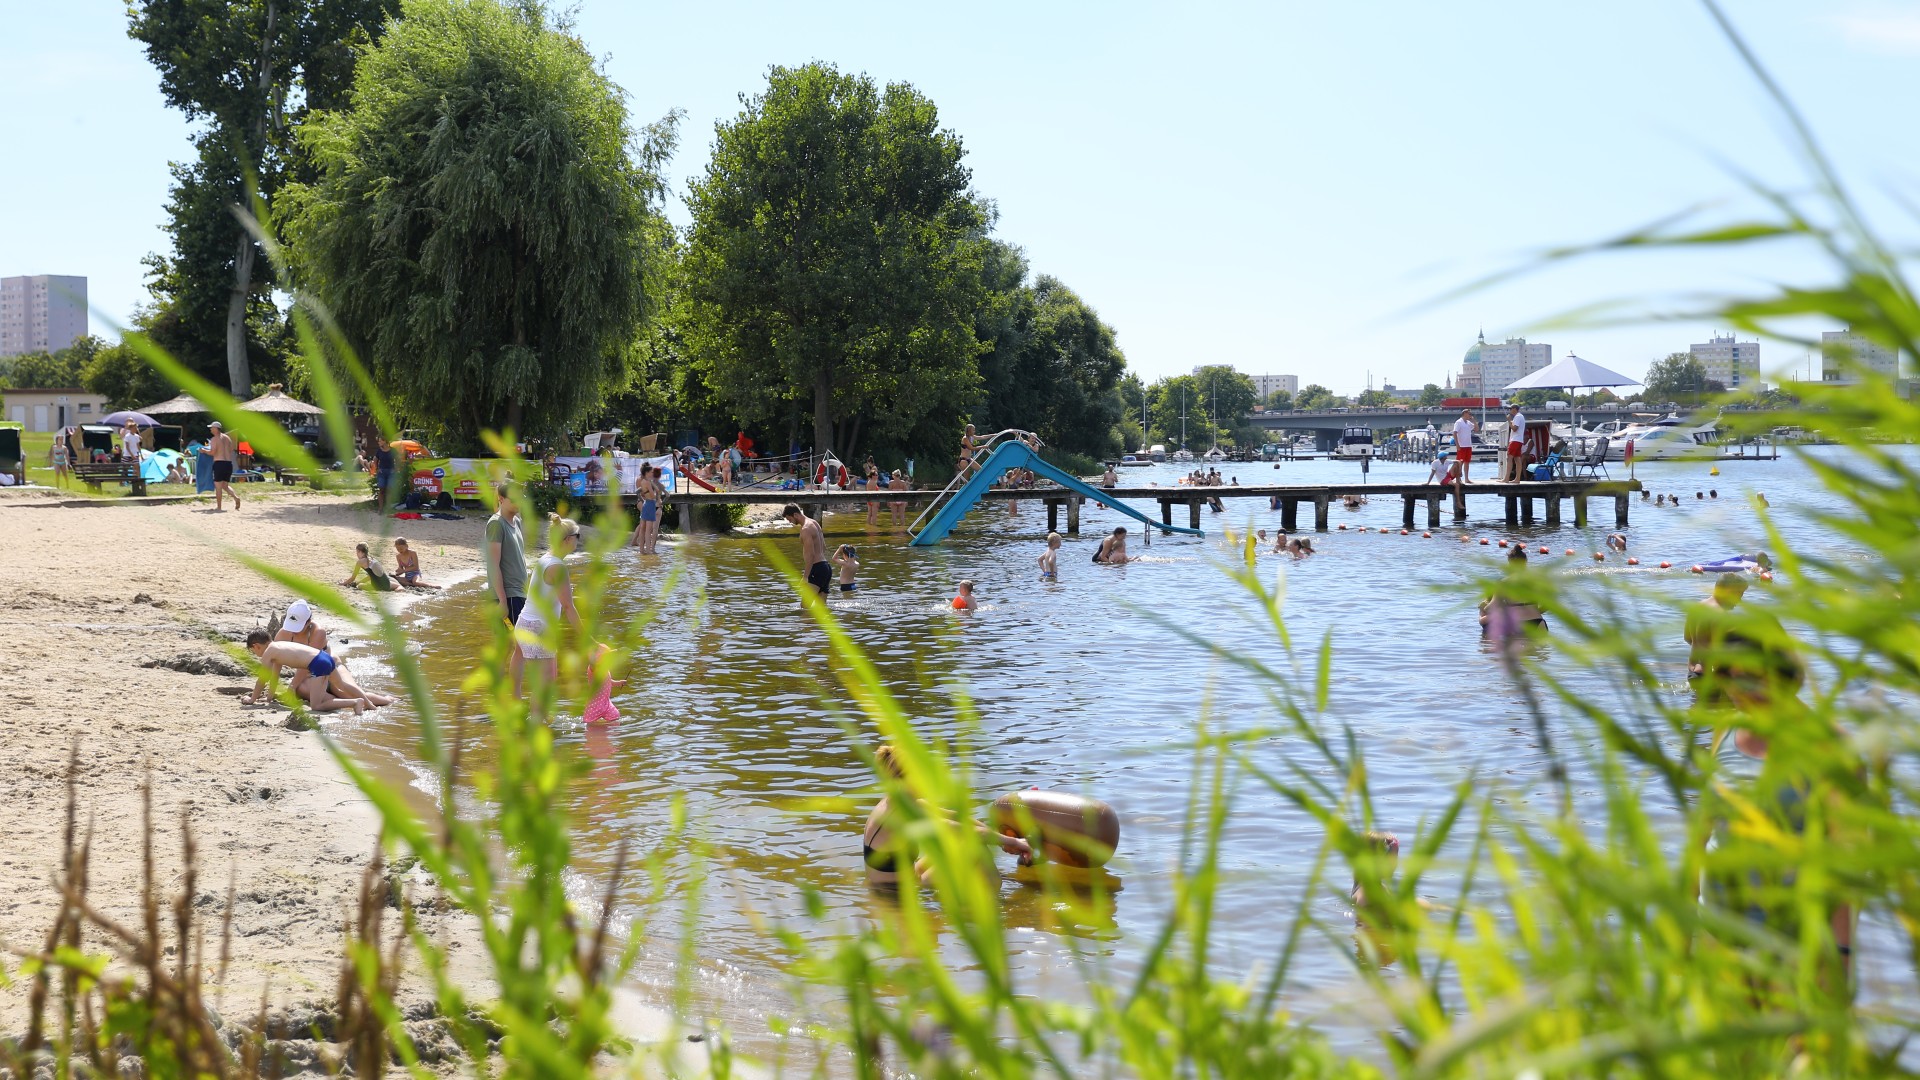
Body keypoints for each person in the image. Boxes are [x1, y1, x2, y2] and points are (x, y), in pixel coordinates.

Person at [862, 745, 1031, 888]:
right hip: (895, 893)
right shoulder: (902, 813)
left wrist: (1004, 843)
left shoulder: (897, 801)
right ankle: (998, 905)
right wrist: (1015, 842)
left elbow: (958, 817)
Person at [514, 514, 584, 704]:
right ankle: (536, 721)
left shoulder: (545, 558)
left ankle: (516, 702)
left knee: (526, 663)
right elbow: (569, 607)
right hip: (539, 628)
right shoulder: (558, 567)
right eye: (578, 536)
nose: (579, 540)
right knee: (544, 682)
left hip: (524, 622)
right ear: (569, 539)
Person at [242, 630, 394, 713]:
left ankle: (355, 702)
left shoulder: (269, 653)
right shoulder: (278, 647)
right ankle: (369, 704)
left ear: (256, 646)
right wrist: (268, 699)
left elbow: (262, 680)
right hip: (325, 657)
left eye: (253, 651)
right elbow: (273, 677)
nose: (256, 654)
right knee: (342, 685)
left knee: (316, 706)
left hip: (318, 664)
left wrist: (252, 700)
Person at [1480, 545, 1546, 643]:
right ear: (1526, 562)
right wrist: (1535, 611)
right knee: (1539, 653)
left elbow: (1493, 606)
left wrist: (1483, 607)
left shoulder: (1504, 583)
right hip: (1538, 623)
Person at [486, 482, 529, 633]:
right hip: (508, 596)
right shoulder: (496, 524)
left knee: (519, 648)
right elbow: (493, 564)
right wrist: (502, 601)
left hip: (519, 593)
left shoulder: (516, 521)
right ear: (501, 499)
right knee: (520, 646)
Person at [783, 503, 830, 597]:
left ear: (795, 515)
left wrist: (805, 577)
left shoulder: (806, 529)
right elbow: (824, 547)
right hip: (826, 567)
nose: (790, 522)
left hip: (816, 568)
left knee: (805, 607)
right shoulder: (814, 523)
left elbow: (811, 555)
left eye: (790, 519)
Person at [582, 643, 626, 725]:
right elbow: (593, 664)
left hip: (606, 704)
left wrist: (619, 683)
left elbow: (609, 681)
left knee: (615, 717)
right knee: (589, 725)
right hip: (595, 704)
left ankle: (605, 734)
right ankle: (593, 735)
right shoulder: (593, 669)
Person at [629, 464, 665, 554]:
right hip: (650, 504)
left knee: (643, 528)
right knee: (648, 530)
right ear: (647, 473)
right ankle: (649, 550)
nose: (653, 473)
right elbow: (653, 495)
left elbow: (639, 491)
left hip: (645, 504)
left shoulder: (643, 481)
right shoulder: (648, 482)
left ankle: (642, 550)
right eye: (651, 472)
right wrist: (655, 493)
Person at [208, 422, 240, 511]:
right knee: (225, 486)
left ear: (215, 428)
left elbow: (212, 452)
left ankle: (219, 507)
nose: (210, 429)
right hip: (228, 464)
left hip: (219, 463)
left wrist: (203, 451)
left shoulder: (214, 439)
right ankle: (236, 497)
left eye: (211, 427)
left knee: (218, 486)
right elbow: (230, 450)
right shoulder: (228, 438)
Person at [1501, 403, 1528, 482]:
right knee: (1517, 459)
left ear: (1515, 409)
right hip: (1519, 440)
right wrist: (1511, 421)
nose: (1510, 411)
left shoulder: (1517, 416)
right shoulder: (1521, 417)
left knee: (1509, 458)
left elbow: (1514, 428)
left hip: (1515, 440)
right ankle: (1517, 479)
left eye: (1511, 409)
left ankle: (1506, 478)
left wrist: (1509, 420)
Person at [1451, 410, 1477, 485]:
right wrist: (1457, 444)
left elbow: (1476, 429)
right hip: (1461, 445)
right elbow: (1455, 433)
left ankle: (1466, 478)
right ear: (1465, 413)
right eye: (1469, 414)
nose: (1470, 415)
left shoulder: (1469, 423)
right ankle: (1458, 479)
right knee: (1459, 463)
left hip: (1468, 445)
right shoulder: (1459, 422)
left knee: (1467, 462)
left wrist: (1474, 421)